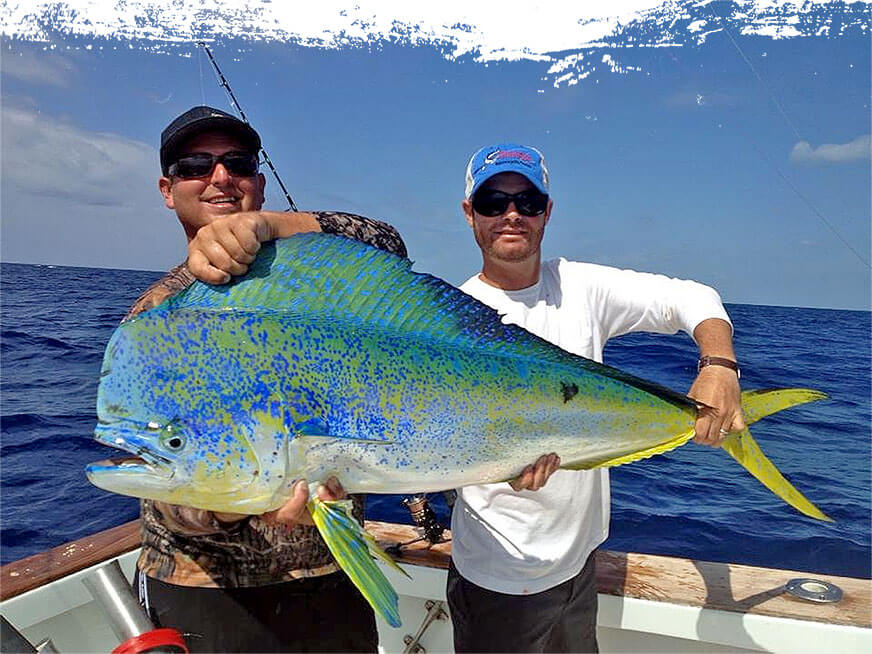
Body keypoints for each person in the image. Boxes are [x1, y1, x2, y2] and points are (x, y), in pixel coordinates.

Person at [126, 105, 407, 653]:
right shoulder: (159, 315)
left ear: (257, 182)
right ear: (168, 188)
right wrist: (225, 506)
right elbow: (158, 475)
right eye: (195, 164)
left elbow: (387, 243)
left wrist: (270, 227)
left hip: (332, 573)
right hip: (212, 595)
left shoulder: (316, 283)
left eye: (236, 162)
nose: (219, 177)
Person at [446, 143, 745, 653]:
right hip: (496, 580)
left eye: (528, 201)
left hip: (579, 567)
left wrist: (719, 366)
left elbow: (694, 297)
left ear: (548, 211)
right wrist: (496, 465)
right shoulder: (451, 318)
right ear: (470, 212)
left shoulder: (580, 286)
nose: (511, 215)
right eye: (494, 201)